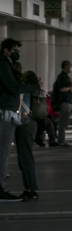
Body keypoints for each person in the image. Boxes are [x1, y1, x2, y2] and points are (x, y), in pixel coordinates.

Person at [0, 39, 24, 201]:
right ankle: (1, 190)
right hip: (4, 113)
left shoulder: (5, 63)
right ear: (6, 50)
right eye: (14, 50)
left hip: (6, 111)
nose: (17, 53)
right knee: (3, 152)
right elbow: (13, 87)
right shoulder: (3, 64)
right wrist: (32, 86)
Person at [15, 69, 38, 200]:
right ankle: (29, 188)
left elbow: (18, 106)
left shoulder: (24, 90)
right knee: (25, 156)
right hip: (31, 122)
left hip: (24, 123)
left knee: (26, 157)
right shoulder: (33, 91)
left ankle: (31, 189)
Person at [53, 59, 72, 147]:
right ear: (65, 66)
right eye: (69, 65)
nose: (71, 67)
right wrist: (71, 86)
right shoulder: (62, 77)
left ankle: (61, 140)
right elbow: (62, 89)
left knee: (64, 122)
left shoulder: (65, 77)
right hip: (64, 102)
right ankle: (61, 141)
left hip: (67, 101)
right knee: (63, 122)